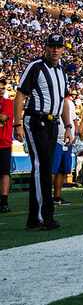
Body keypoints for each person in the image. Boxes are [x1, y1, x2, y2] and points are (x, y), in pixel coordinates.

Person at [13, 34, 72, 229]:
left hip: (53, 122)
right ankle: (43, 216)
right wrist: (17, 123)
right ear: (45, 47)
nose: (55, 50)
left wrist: (69, 126)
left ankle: (34, 218)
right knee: (42, 167)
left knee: (44, 167)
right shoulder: (36, 66)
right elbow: (21, 93)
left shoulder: (62, 71)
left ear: (63, 49)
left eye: (58, 47)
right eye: (52, 46)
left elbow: (63, 101)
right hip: (36, 120)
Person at [0, 75, 14, 213]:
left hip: (4, 143)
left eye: (3, 87)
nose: (1, 89)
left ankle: (4, 201)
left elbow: (3, 117)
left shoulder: (8, 102)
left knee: (4, 172)